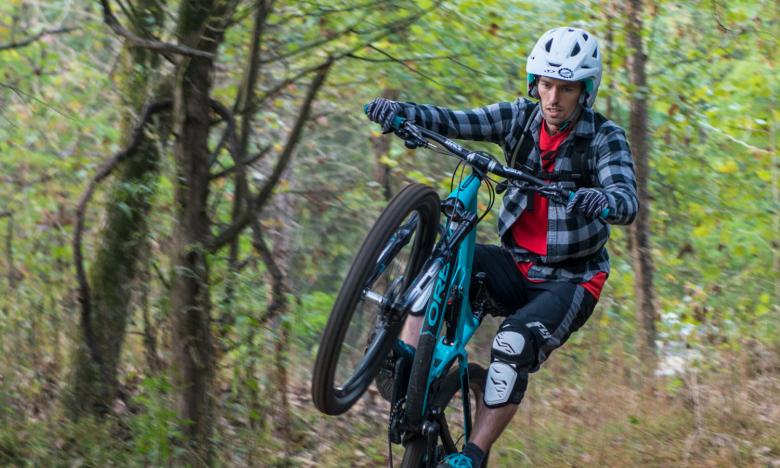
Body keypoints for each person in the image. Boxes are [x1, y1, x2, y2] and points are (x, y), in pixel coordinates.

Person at [365, 26, 638, 467]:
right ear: (535, 84)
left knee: (511, 346)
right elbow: (455, 120)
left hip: (571, 281)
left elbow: (626, 200)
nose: (553, 98)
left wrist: (603, 199)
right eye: (546, 85)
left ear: (584, 92)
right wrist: (401, 113)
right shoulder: (518, 118)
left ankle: (472, 455)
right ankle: (409, 370)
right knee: (442, 265)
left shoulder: (605, 138)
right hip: (516, 263)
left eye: (566, 88)